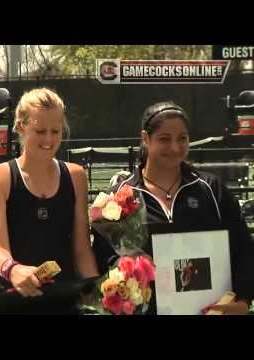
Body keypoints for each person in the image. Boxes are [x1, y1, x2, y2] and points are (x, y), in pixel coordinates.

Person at [93, 101, 254, 315]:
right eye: (164, 139)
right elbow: (101, 260)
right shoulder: (119, 197)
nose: (175, 147)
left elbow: (244, 249)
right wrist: (125, 273)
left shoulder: (213, 190)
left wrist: (242, 300)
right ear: (145, 139)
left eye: (182, 139)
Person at [0, 87, 99, 301]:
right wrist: (14, 270)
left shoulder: (76, 176)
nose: (49, 139)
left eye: (55, 131)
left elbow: (82, 249)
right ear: (20, 127)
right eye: (40, 131)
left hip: (63, 299)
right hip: (11, 299)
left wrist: (96, 289)